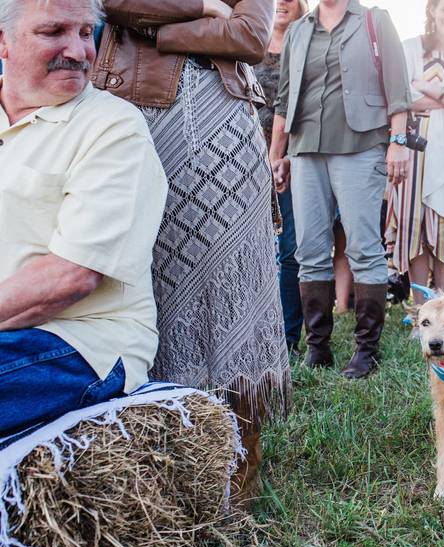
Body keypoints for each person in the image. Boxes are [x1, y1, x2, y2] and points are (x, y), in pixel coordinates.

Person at [92, 0, 290, 500]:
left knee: (238, 289)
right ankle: (166, 460)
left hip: (226, 123)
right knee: (151, 282)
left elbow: (249, 36)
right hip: (142, 118)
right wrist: (206, 9)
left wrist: (159, 31)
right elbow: (114, 2)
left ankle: (241, 467)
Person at [0, 0, 166, 435]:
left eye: (85, 31)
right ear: (3, 41)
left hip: (81, 340)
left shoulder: (113, 128)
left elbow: (72, 277)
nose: (78, 50)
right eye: (53, 32)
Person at [271, 0, 412, 378]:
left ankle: (367, 350)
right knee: (310, 250)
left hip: (362, 146)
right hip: (305, 150)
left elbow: (398, 90)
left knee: (363, 247)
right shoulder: (299, 30)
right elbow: (285, 98)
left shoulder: (374, 21)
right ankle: (318, 348)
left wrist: (397, 142)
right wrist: (276, 155)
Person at [385, 0, 444, 306]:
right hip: (412, 149)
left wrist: (423, 87)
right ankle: (420, 309)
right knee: (415, 229)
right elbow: (399, 95)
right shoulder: (410, 47)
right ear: (432, 10)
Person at [255, 0, 310, 354]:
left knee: (290, 247)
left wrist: (287, 155)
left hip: (292, 160)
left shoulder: (308, 45)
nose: (283, 2)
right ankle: (252, 330)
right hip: (244, 157)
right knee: (253, 247)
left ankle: (287, 336)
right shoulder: (248, 45)